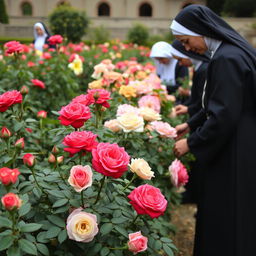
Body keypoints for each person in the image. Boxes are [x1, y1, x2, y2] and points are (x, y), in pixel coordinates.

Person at [170, 4, 256, 256]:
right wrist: (192, 124)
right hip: (242, 139)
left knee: (228, 211)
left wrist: (192, 142)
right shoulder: (232, 53)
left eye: (186, 41)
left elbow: (223, 115)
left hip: (234, 146)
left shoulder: (226, 58)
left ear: (200, 30)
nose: (186, 48)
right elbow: (218, 104)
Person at [170, 39, 210, 204]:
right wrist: (188, 113)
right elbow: (200, 102)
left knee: (199, 161)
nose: (180, 63)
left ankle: (196, 195)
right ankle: (193, 193)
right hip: (198, 121)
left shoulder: (204, 69)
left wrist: (190, 119)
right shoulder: (199, 68)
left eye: (179, 59)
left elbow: (205, 104)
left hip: (203, 124)